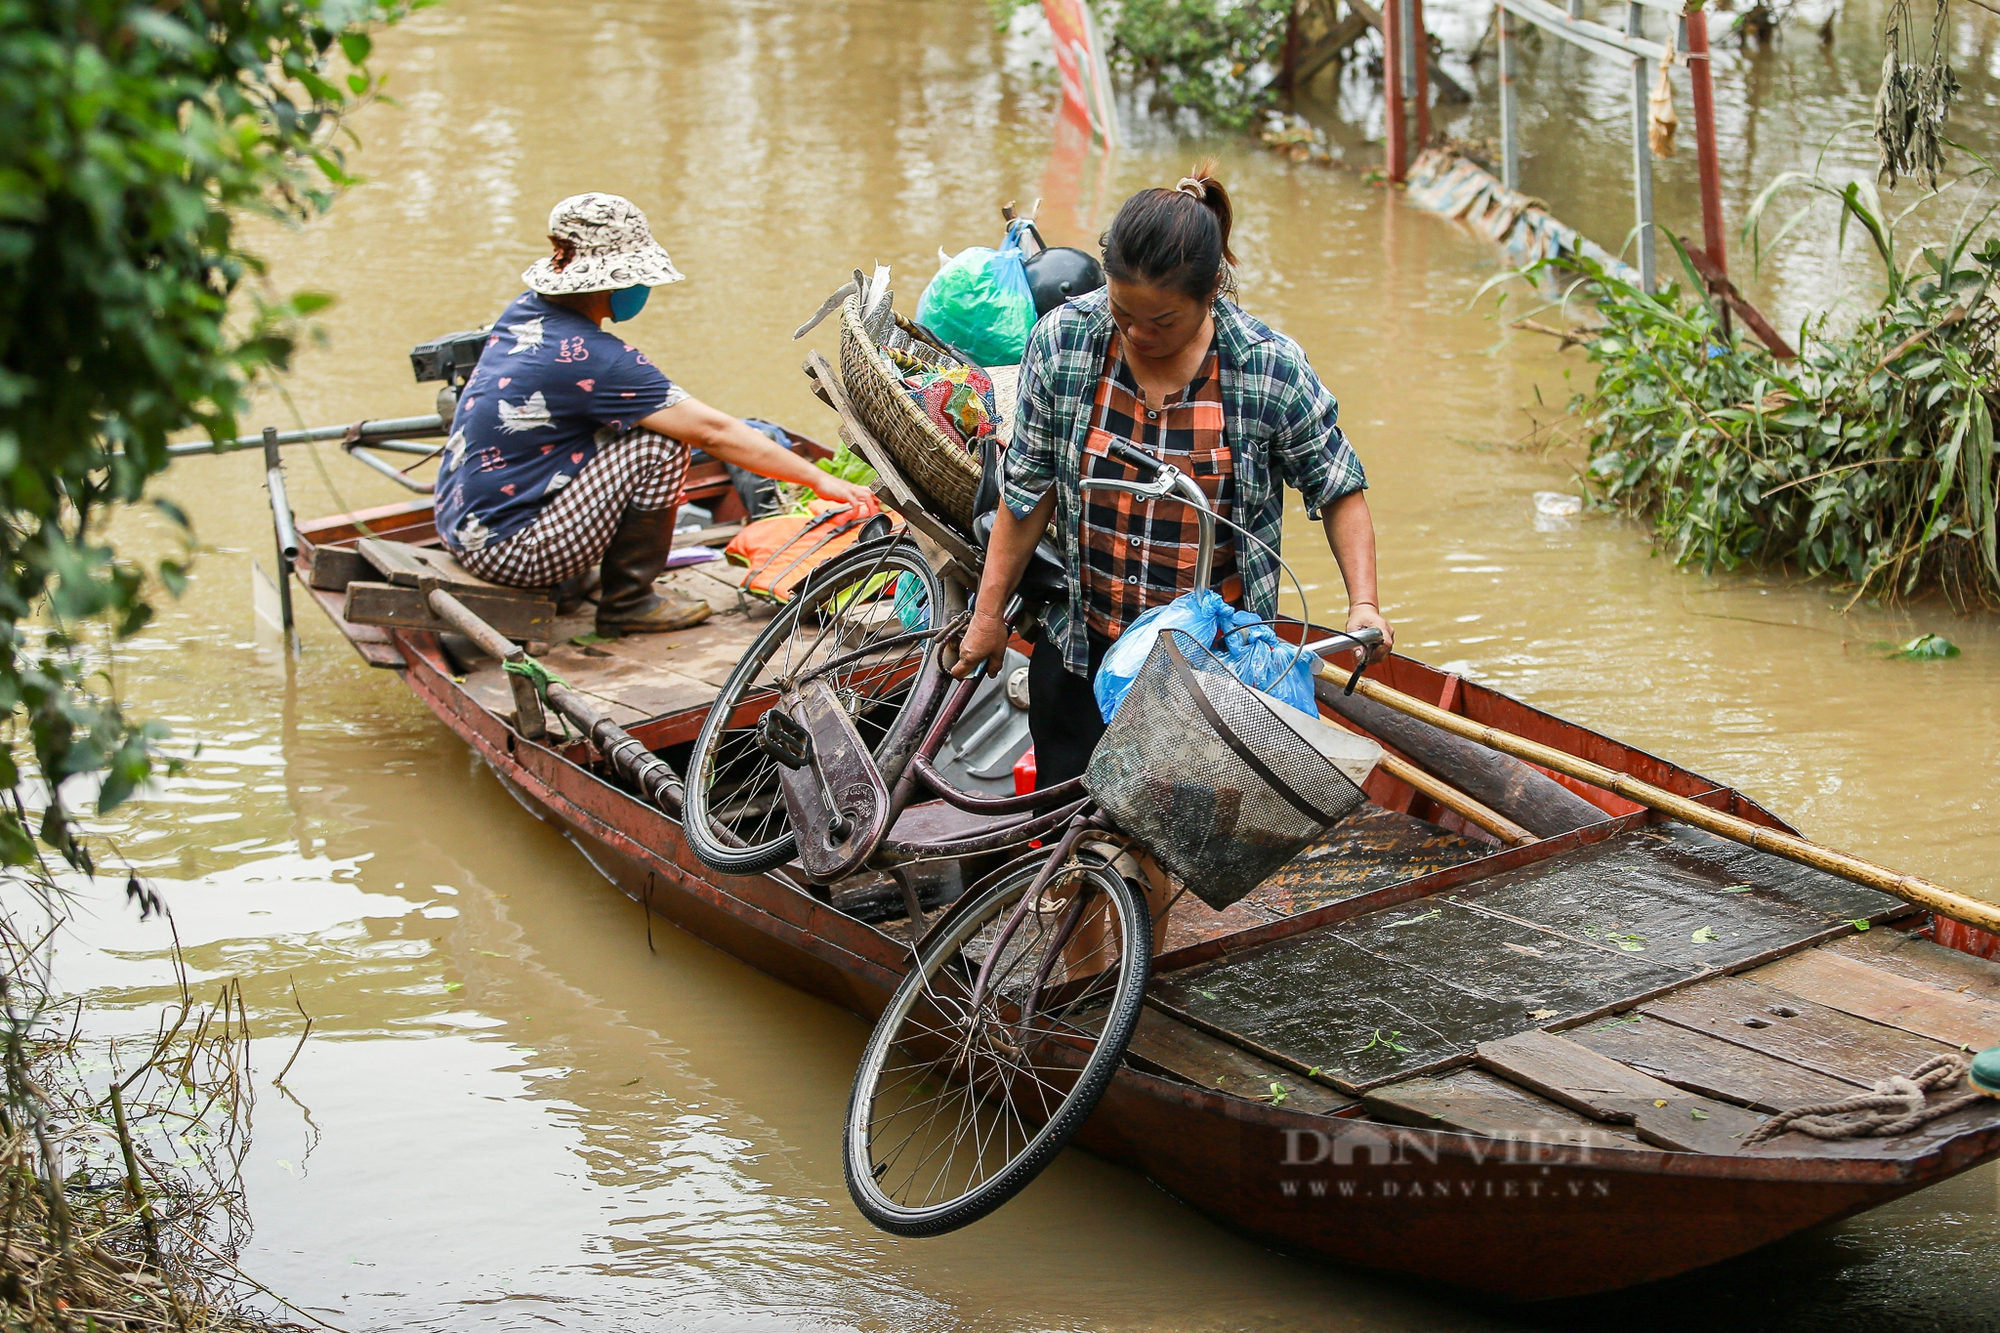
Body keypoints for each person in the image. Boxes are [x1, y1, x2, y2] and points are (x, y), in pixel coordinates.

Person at [953, 164, 1394, 789]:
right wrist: (988, 615)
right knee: (1063, 830)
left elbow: (1338, 486)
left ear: (1210, 292)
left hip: (1206, 671)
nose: (1137, 333)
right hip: (1085, 645)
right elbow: (1029, 496)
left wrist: (1364, 603)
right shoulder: (1065, 343)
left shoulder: (1267, 368)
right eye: (1122, 311)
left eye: (1161, 322)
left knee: (1172, 838)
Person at [434, 193, 875, 635]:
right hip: (511, 551)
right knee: (660, 444)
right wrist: (820, 480)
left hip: (462, 524)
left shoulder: (525, 312)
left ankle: (576, 577)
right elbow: (712, 432)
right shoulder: (597, 360)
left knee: (639, 424)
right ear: (614, 282)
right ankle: (629, 602)